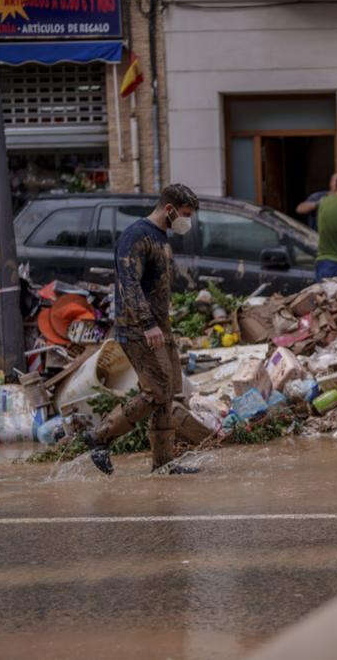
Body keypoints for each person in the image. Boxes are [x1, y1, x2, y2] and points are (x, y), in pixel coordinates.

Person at [85, 184, 202, 476]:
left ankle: (163, 464)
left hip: (158, 328)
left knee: (168, 391)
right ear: (169, 209)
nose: (187, 221)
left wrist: (160, 325)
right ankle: (100, 437)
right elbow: (129, 283)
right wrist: (148, 324)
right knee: (156, 391)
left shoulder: (161, 237)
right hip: (138, 328)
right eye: (185, 214)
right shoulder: (137, 236)